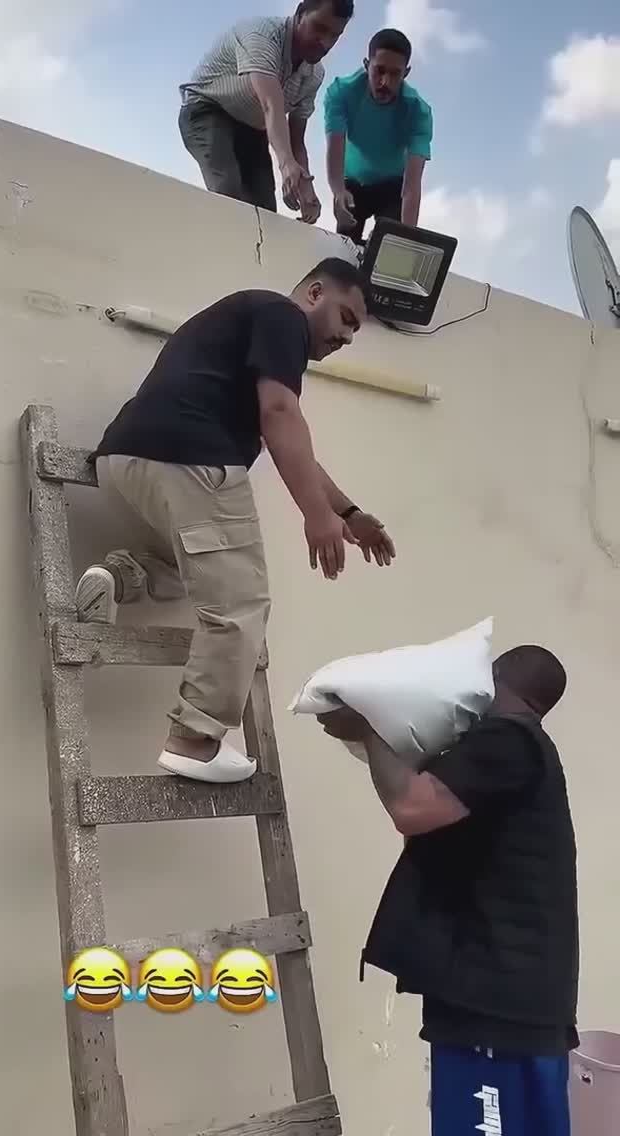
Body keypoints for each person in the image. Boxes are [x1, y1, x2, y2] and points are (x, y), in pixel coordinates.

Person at [77, 259, 396, 787]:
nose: (346, 336)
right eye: (346, 317)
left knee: (195, 570)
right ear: (314, 293)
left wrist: (346, 513)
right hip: (192, 461)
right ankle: (195, 740)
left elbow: (289, 441)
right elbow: (281, 415)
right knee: (240, 603)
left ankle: (119, 577)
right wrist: (315, 516)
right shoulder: (283, 317)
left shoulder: (249, 322)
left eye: (355, 330)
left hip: (124, 460)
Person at [318, 645, 578, 1136]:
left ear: (496, 679)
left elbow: (412, 808)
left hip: (492, 1012)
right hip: (518, 1007)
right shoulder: (524, 753)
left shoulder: (507, 740)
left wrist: (370, 728)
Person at [178, 1, 355, 224]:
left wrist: (306, 186)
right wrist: (286, 164)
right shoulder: (262, 35)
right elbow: (271, 104)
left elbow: (296, 139)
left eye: (335, 35)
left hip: (253, 127)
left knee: (264, 210)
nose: (325, 43)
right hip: (207, 109)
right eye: (319, 28)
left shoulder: (314, 75)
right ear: (300, 13)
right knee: (228, 189)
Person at [324, 28, 433, 242]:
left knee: (392, 242)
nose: (385, 82)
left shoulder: (419, 112)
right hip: (353, 183)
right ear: (367, 65)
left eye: (395, 74)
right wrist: (338, 191)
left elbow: (412, 186)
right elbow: (335, 148)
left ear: (406, 73)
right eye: (379, 71)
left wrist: (406, 238)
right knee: (344, 244)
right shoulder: (340, 93)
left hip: (393, 187)